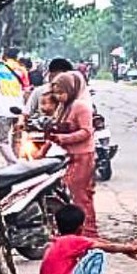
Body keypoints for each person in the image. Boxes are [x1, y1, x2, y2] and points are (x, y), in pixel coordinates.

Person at [46, 70, 99, 238]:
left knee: (81, 196)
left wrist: (64, 138)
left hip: (83, 155)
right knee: (73, 194)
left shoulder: (80, 107)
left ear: (71, 89)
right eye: (56, 93)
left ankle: (88, 233)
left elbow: (86, 132)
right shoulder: (64, 107)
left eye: (61, 92)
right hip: (70, 156)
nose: (58, 96)